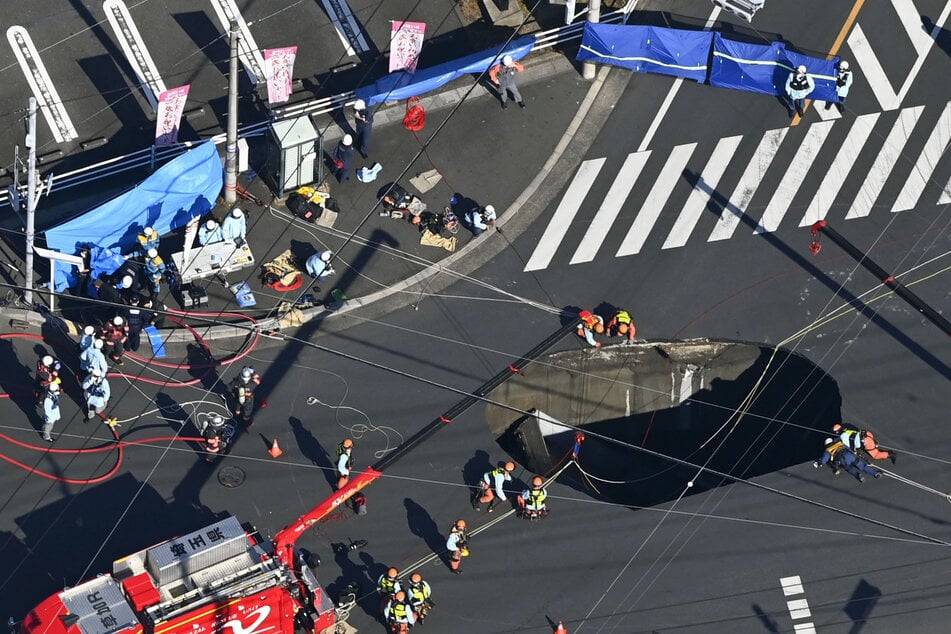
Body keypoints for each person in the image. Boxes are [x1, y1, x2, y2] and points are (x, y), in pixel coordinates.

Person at [814, 438, 881, 483]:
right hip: (849, 455)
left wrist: (819, 463)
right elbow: (848, 449)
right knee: (862, 466)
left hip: (842, 460)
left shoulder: (828, 450)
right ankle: (875, 473)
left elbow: (824, 460)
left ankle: (858, 475)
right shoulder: (839, 443)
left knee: (849, 469)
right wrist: (854, 454)